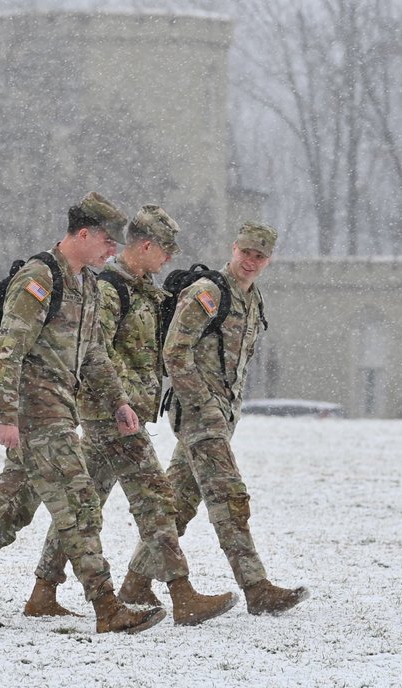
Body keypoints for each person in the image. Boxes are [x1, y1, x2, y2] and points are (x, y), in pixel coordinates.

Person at [0, 193, 166, 634]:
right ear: (83, 234)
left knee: (8, 510)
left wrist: (119, 401)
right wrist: (3, 417)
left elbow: (95, 353)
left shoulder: (86, 285)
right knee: (80, 504)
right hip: (36, 415)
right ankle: (107, 608)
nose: (113, 250)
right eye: (107, 242)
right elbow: (8, 352)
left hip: (61, 411)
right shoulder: (39, 278)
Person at [25, 205, 237, 626]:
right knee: (156, 497)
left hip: (124, 412)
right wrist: (119, 402)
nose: (169, 259)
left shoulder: (143, 289)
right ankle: (183, 594)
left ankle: (43, 591)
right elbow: (94, 350)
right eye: (166, 250)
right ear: (145, 246)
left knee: (85, 506)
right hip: (112, 414)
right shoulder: (110, 290)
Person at [148, 221, 309, 616]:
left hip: (223, 416)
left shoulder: (253, 300)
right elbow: (175, 352)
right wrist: (202, 403)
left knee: (178, 503)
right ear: (233, 248)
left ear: (268, 260)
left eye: (260, 256)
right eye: (246, 253)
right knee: (228, 497)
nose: (251, 262)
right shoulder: (208, 292)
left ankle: (136, 582)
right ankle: (256, 587)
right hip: (199, 414)